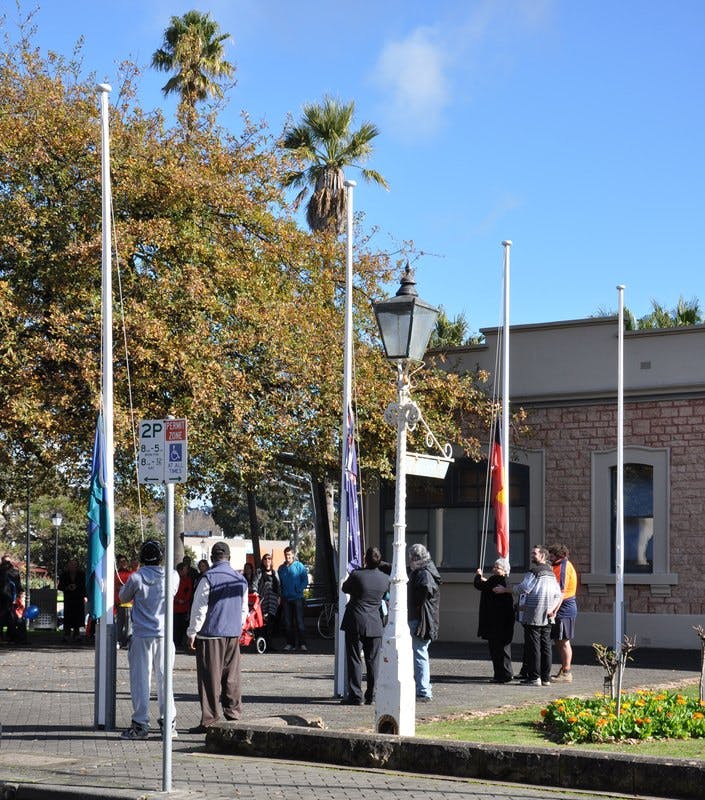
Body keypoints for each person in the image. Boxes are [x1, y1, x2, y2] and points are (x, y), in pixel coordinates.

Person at [118, 539, 178, 740]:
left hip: (142, 635)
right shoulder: (172, 576)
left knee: (141, 680)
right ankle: (168, 723)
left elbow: (123, 597)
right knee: (165, 680)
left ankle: (141, 724)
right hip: (164, 635)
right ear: (161, 556)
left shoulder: (136, 578)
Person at [187, 541, 248, 733]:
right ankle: (233, 713)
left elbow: (200, 608)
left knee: (209, 679)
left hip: (210, 634)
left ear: (212, 558)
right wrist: (237, 628)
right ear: (229, 558)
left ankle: (210, 719)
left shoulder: (208, 578)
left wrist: (192, 632)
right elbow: (244, 609)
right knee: (232, 676)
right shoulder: (240, 579)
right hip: (232, 633)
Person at [495, 544, 562, 687]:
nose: (532, 556)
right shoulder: (551, 573)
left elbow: (524, 588)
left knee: (533, 646)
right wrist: (552, 609)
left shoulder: (534, 572)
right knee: (546, 646)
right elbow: (558, 594)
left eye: (535, 554)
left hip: (534, 614)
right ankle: (545, 678)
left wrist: (505, 590)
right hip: (547, 615)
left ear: (543, 556)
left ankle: (534, 678)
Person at [340, 547, 390, 705]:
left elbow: (344, 588)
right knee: (373, 661)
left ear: (365, 559)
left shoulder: (357, 575)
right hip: (375, 623)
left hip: (355, 621)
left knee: (355, 659)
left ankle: (356, 696)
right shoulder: (384, 579)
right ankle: (372, 696)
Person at [407, 543, 441, 702]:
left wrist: (415, 602)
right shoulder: (427, 570)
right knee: (420, 653)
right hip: (425, 619)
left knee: (419, 654)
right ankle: (424, 687)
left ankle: (424, 690)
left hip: (421, 620)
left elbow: (425, 590)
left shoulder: (423, 574)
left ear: (415, 558)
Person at [473, 557, 515, 683]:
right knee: (505, 648)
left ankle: (500, 676)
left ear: (504, 570)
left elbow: (479, 585)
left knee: (496, 649)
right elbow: (488, 586)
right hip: (505, 620)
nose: (494, 569)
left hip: (495, 621)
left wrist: (478, 576)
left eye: (498, 567)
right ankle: (508, 673)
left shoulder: (495, 579)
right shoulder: (505, 581)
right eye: (494, 566)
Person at [547, 543, 578, 683]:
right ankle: (564, 669)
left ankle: (567, 672)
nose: (550, 558)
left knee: (564, 641)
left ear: (559, 556)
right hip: (563, 606)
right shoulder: (558, 566)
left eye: (552, 555)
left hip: (564, 606)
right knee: (559, 640)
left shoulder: (564, 567)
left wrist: (554, 609)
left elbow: (561, 591)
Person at [277, 546, 308, 652]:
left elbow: (305, 580)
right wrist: (280, 595)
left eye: (289, 555)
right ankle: (290, 643)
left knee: (300, 622)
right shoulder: (281, 568)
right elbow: (278, 583)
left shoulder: (299, 566)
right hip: (286, 599)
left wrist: (298, 589)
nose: (288, 557)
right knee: (288, 623)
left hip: (298, 598)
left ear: (293, 555)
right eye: (286, 555)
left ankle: (302, 644)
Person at [58, 557, 85, 643]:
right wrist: (67, 587)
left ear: (77, 565)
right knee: (68, 616)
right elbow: (60, 586)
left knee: (78, 616)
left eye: (74, 564)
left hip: (78, 598)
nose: (72, 565)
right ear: (68, 565)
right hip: (68, 598)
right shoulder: (64, 574)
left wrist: (78, 589)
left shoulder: (82, 574)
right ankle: (67, 634)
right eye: (71, 563)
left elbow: (85, 586)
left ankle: (77, 634)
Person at [255, 553, 280, 648]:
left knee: (271, 623)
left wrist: (279, 597)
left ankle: (269, 644)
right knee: (262, 623)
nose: (267, 560)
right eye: (265, 559)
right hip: (263, 601)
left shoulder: (275, 572)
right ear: (263, 561)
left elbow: (278, 585)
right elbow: (255, 583)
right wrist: (254, 592)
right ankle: (262, 644)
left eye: (269, 558)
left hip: (273, 601)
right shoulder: (259, 572)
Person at [0, 555, 23, 643]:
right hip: (9, 598)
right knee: (10, 617)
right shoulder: (14, 572)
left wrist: (20, 594)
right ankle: (10, 637)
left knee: (8, 617)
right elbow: (19, 586)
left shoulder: (12, 572)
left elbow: (18, 586)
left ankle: (5, 636)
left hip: (8, 598)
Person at [114, 554, 134, 649]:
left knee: (129, 624)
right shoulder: (115, 574)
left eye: (124, 562)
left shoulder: (131, 574)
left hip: (129, 603)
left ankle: (128, 641)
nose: (123, 564)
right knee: (119, 624)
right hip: (119, 603)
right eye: (121, 562)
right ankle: (119, 640)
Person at [173, 562, 194, 650]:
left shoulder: (188, 580)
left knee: (183, 627)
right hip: (175, 608)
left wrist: (184, 600)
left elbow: (189, 592)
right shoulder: (174, 579)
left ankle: (181, 644)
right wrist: (177, 600)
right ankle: (175, 643)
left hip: (184, 608)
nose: (187, 571)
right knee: (175, 627)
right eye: (185, 569)